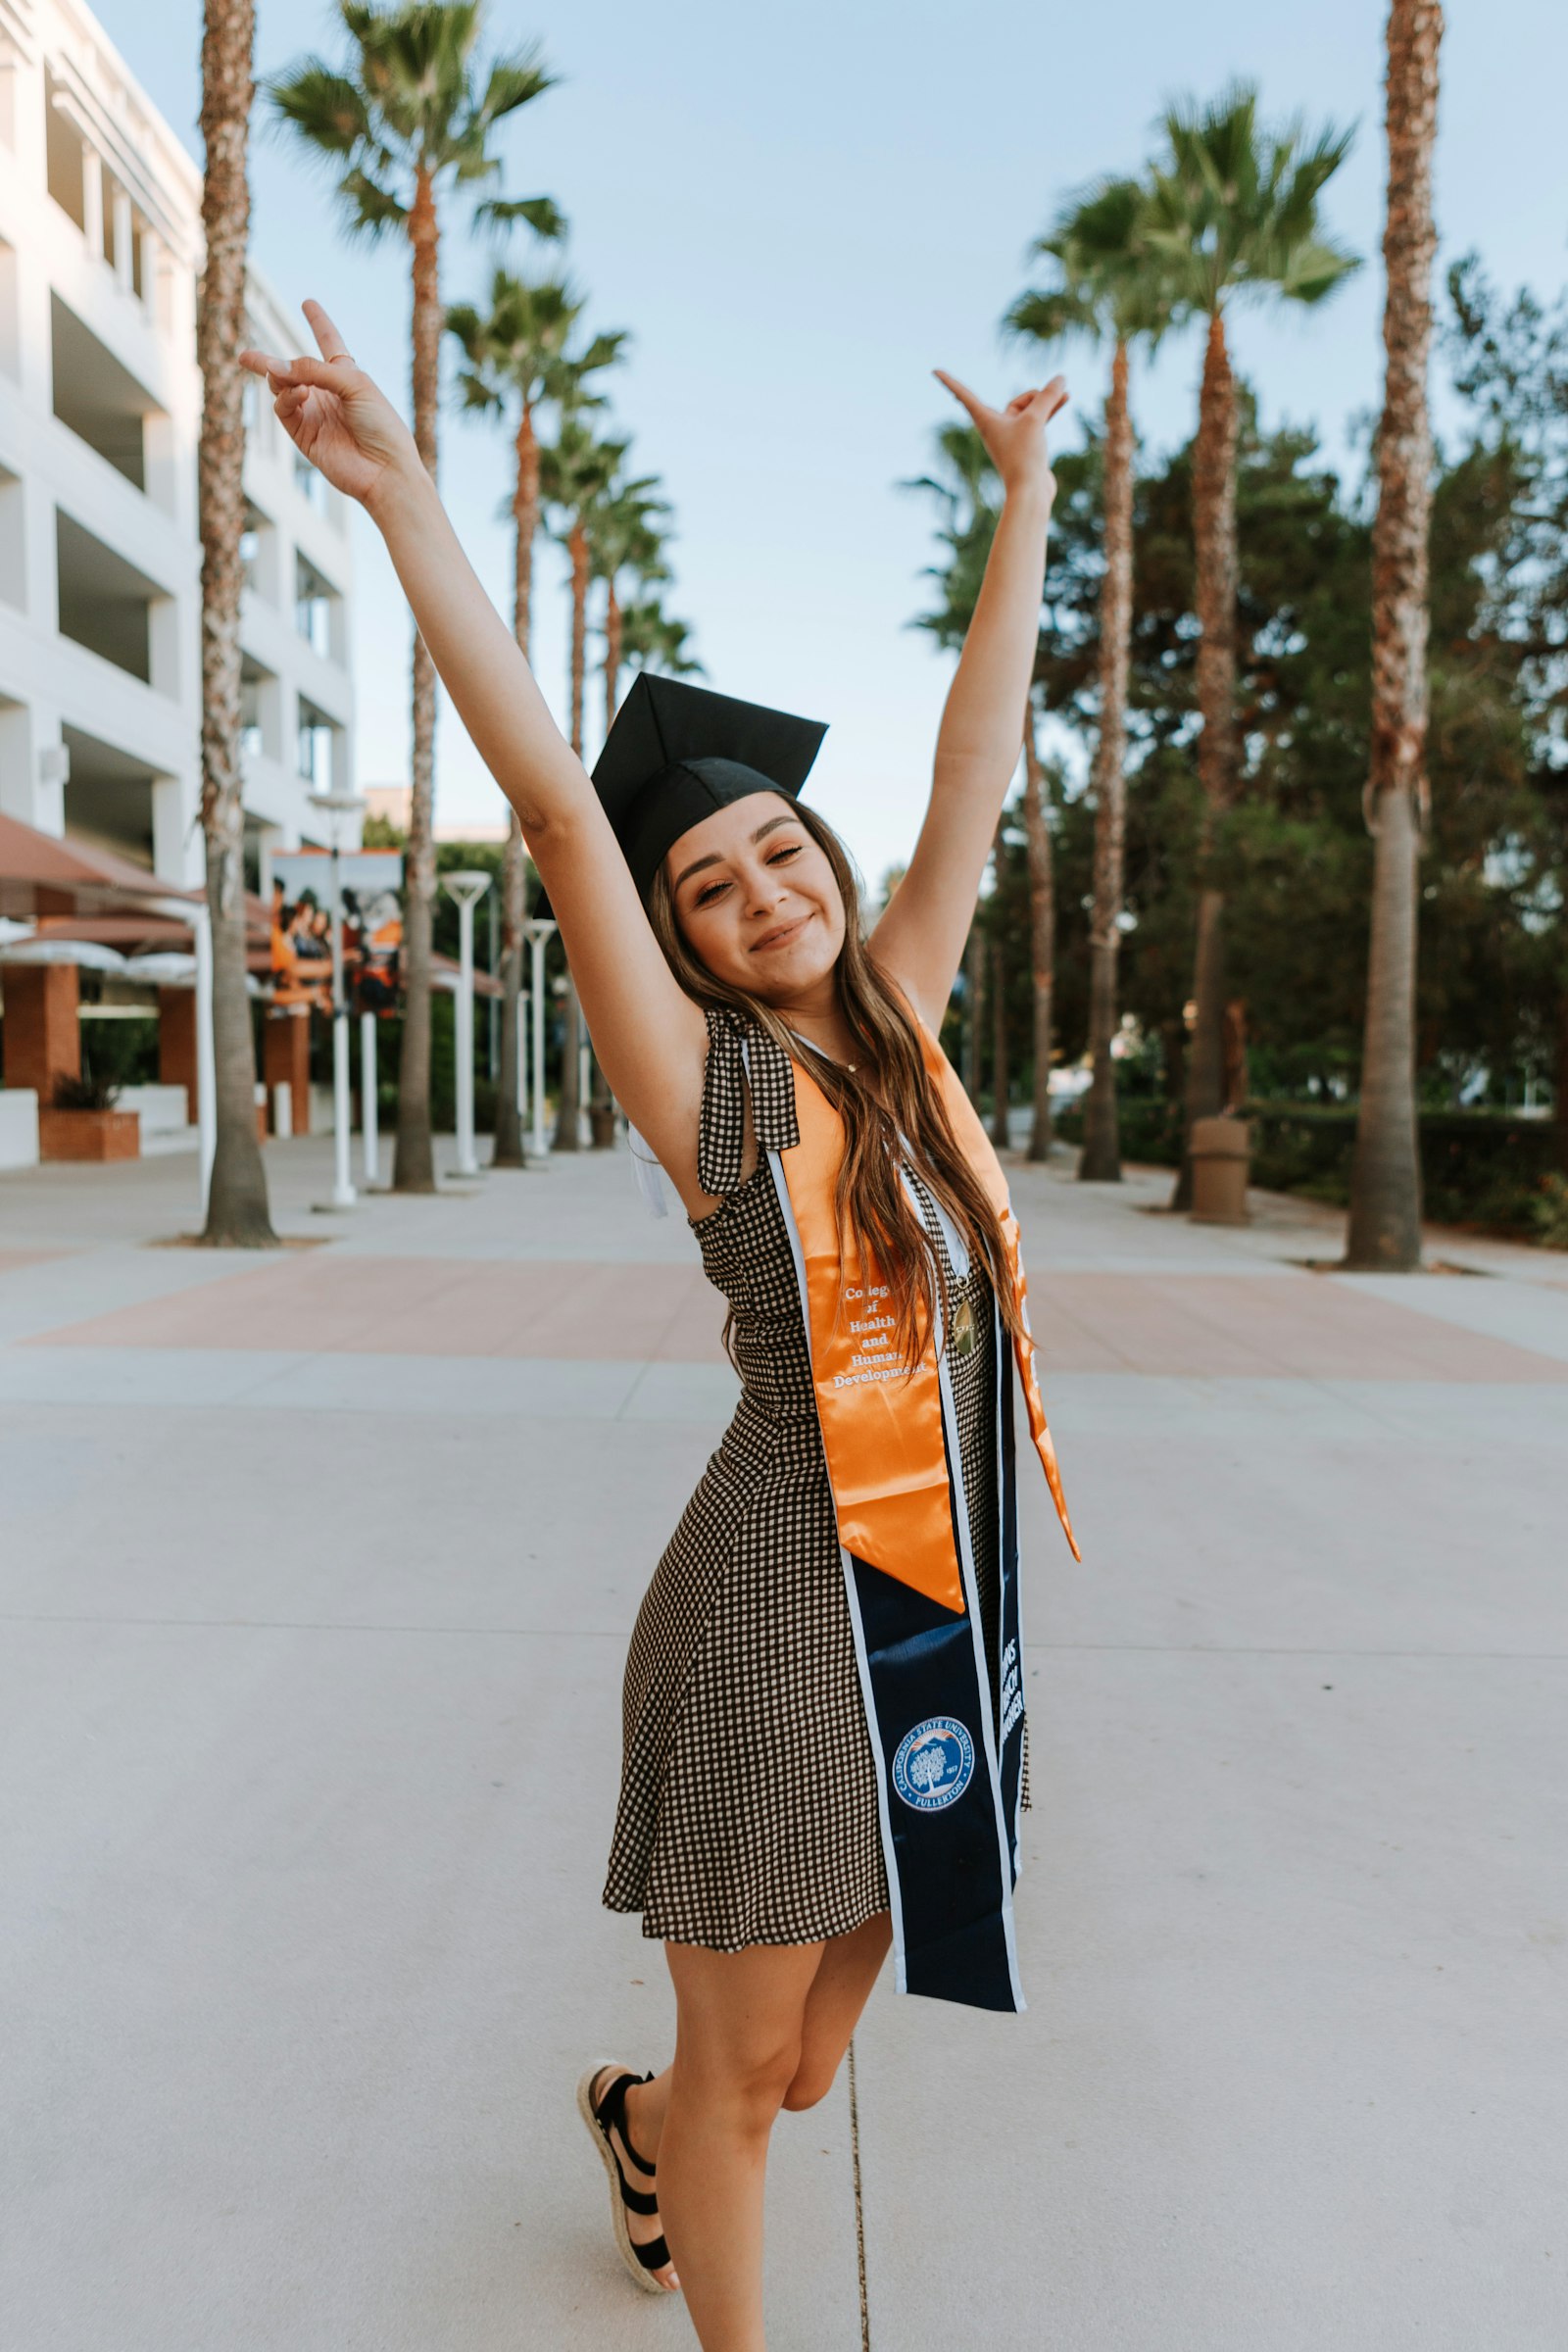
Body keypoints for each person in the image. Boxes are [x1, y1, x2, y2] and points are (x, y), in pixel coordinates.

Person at [242, 302, 1079, 2352]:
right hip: (781, 1610)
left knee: (793, 2066)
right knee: (748, 2088)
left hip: (939, 1596)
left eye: (776, 851)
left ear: (827, 862)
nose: (755, 890)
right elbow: (545, 801)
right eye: (705, 886)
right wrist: (406, 494)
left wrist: (1025, 499)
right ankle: (692, 2214)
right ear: (683, 939)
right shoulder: (708, 1095)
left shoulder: (897, 1030)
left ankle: (636, 2127)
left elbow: (975, 758)